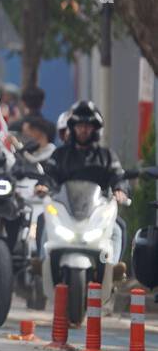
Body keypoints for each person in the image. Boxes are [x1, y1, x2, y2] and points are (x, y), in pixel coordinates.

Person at [36, 101, 129, 258]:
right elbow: (49, 175)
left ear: (95, 129)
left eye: (88, 126)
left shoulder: (107, 156)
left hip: (97, 213)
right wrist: (43, 185)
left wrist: (120, 190)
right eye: (80, 126)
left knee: (118, 228)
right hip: (64, 211)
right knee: (43, 221)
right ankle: (42, 263)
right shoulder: (60, 154)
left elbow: (118, 176)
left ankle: (113, 269)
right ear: (73, 128)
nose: (84, 130)